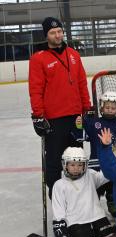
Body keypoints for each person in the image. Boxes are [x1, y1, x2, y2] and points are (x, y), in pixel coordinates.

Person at [29, 17, 91, 198]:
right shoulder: (38, 59)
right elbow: (35, 89)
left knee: (77, 158)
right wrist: (38, 116)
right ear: (46, 35)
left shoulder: (73, 54)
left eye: (59, 31)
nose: (57, 35)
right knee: (55, 161)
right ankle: (56, 196)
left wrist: (86, 108)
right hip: (54, 119)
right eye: (52, 32)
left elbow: (81, 83)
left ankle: (78, 195)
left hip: (76, 118)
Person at [75, 90, 116, 217]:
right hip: (96, 164)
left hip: (114, 163)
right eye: (107, 107)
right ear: (101, 107)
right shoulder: (93, 122)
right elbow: (80, 138)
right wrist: (79, 126)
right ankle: (90, 211)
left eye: (113, 108)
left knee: (114, 187)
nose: (110, 110)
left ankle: (113, 204)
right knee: (93, 191)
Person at [51, 147, 115, 237]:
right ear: (65, 164)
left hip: (96, 216)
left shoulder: (90, 175)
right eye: (72, 164)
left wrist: (114, 166)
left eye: (80, 165)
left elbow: (104, 176)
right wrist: (59, 224)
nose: (76, 168)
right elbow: (58, 208)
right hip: (76, 220)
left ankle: (96, 232)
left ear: (85, 165)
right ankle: (86, 233)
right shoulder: (59, 185)